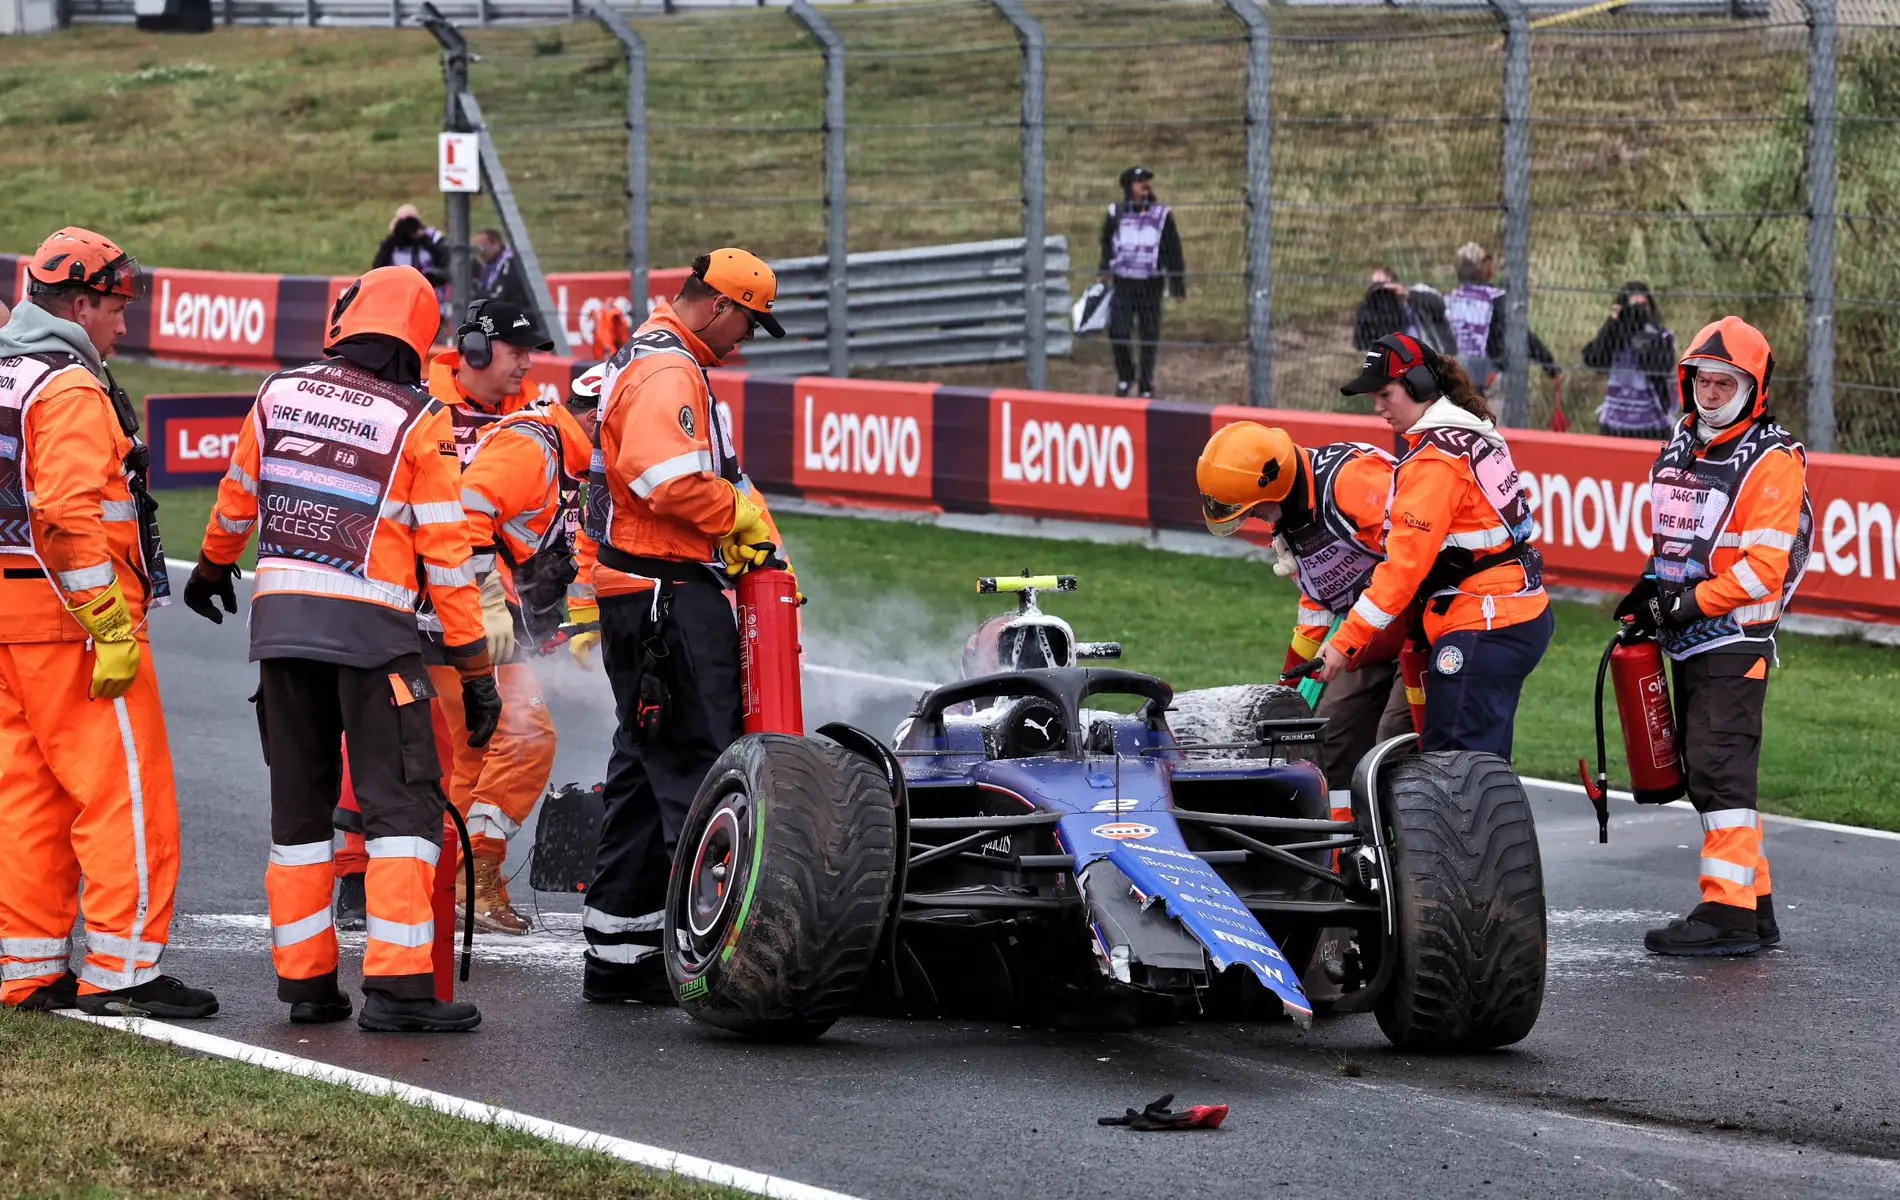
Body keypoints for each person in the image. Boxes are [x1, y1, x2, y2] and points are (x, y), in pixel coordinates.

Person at [185, 265, 502, 1033]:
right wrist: (475, 667)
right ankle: (397, 992)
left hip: (283, 636)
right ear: (419, 342)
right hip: (373, 645)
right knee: (401, 810)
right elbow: (449, 558)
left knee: (298, 816)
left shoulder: (278, 394)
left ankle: (308, 987)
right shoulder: (419, 419)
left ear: (344, 321)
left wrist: (214, 565)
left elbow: (238, 492)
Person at [0, 228, 218, 1019]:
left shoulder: (6, 374)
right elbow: (63, 515)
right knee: (123, 792)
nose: (124, 327)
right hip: (71, 626)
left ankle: (28, 968)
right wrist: (110, 626)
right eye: (116, 309)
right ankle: (123, 970)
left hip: (8, 622)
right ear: (81, 303)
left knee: (27, 797)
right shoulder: (67, 390)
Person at [575, 248, 789, 1005]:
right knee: (706, 769)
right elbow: (662, 478)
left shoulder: (655, 355)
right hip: (666, 591)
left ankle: (618, 954)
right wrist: (738, 519)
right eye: (749, 324)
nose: (748, 340)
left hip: (640, 590)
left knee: (642, 768)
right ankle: (720, 959)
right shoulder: (671, 371)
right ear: (720, 306)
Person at [1615, 317, 1811, 957]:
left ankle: (1725, 914)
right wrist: (1652, 590)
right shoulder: (1678, 443)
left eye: (1725, 384)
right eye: (1702, 379)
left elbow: (1763, 570)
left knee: (1719, 770)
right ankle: (1754, 908)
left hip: (1734, 636)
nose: (1710, 393)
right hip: (1690, 633)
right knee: (1710, 769)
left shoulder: (1773, 459)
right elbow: (1674, 542)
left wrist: (1687, 601)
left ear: (1753, 390)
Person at [1313, 334, 1553, 759]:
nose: (1378, 407)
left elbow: (1403, 569)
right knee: (1483, 770)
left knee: (1451, 774)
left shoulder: (1434, 462)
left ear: (1422, 386)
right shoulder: (1468, 434)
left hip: (1483, 624)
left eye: (1385, 394)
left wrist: (1345, 641)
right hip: (1511, 616)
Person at [426, 299, 580, 934]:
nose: (526, 365)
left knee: (475, 750)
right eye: (515, 352)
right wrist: (488, 599)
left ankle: (445, 883)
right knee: (524, 735)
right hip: (443, 608)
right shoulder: (426, 406)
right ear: (477, 350)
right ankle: (473, 877)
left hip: (452, 609)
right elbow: (467, 512)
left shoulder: (530, 414)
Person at [1196, 421, 1409, 805]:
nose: (1253, 518)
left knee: (1392, 741)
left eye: (1252, 509)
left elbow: (1414, 562)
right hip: (1367, 637)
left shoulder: (1352, 481)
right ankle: (1342, 849)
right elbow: (1318, 604)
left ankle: (1405, 842)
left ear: (1270, 485)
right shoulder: (1290, 521)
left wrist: (1353, 637)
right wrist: (1286, 691)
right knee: (1330, 736)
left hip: (1426, 629)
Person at [1098, 166, 1186, 398]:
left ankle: (1146, 383)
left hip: (1151, 283)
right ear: (1129, 187)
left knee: (1149, 334)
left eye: (1146, 180)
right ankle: (1126, 376)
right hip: (1124, 283)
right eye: (1139, 182)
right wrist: (1104, 268)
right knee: (1119, 331)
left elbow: (1173, 249)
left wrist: (1177, 285)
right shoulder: (1116, 213)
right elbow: (1107, 242)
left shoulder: (1162, 215)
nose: (1144, 185)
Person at [1445, 241, 1562, 399]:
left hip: (1459, 379)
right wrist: (1551, 366)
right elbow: (1523, 336)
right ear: (1483, 268)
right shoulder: (1496, 299)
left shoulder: (1451, 300)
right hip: (1492, 378)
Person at [1581, 281, 1678, 439]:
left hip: (1653, 426)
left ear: (1651, 308)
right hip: (1614, 425)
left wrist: (1646, 334)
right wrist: (1612, 323)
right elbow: (1594, 360)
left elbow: (1661, 366)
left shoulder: (1663, 336)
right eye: (1633, 306)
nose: (1638, 311)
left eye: (1643, 306)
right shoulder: (1614, 335)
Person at [1352, 267, 1453, 356]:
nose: (1383, 292)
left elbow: (1440, 305)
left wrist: (1409, 295)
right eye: (1376, 286)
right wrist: (1366, 306)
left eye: (1385, 285)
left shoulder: (1417, 297)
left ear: (1397, 284)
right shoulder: (1375, 312)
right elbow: (1359, 343)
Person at [373, 204, 449, 308]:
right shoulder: (393, 244)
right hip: (399, 303)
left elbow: (445, 262)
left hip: (431, 301)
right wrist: (393, 239)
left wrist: (424, 241)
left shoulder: (433, 237)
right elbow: (378, 268)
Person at [473, 227, 536, 314]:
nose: (480, 254)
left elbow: (498, 297)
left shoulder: (511, 263)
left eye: (483, 248)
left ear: (496, 244)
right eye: (477, 249)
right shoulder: (487, 266)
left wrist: (475, 290)